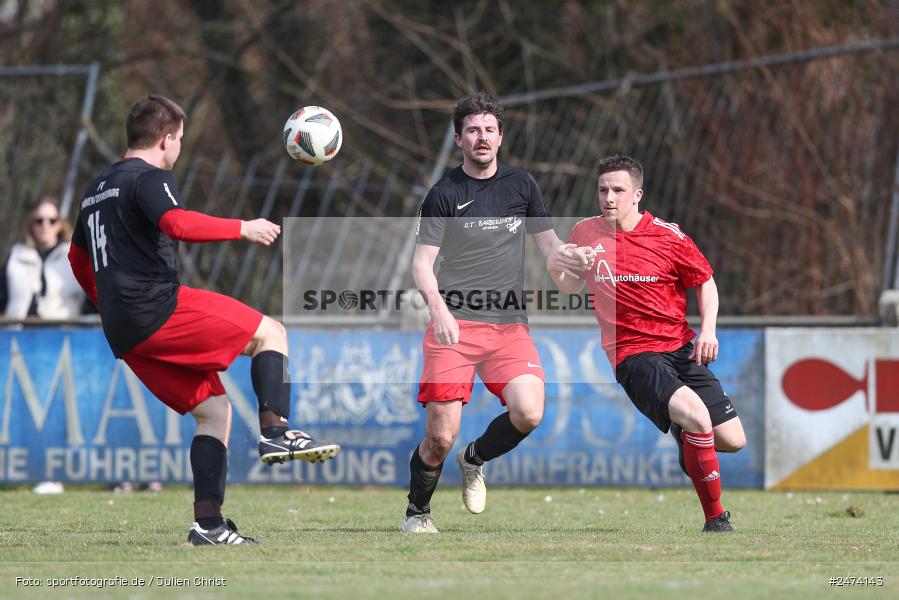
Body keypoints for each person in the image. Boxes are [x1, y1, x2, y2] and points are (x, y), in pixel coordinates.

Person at [68, 94, 340, 545]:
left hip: (124, 330)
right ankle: (277, 431)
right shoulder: (148, 177)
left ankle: (208, 525)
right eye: (179, 140)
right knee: (270, 332)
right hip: (157, 308)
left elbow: (78, 259)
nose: (179, 149)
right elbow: (177, 224)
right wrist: (242, 227)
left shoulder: (97, 188)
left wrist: (110, 301)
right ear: (165, 138)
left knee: (214, 411)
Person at [402, 92, 588, 533]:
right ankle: (417, 513)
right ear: (458, 139)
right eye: (472, 130)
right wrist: (440, 311)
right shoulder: (444, 193)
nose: (481, 137)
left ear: (500, 137)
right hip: (454, 328)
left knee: (529, 412)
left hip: (508, 328)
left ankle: (476, 458)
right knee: (439, 437)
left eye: (488, 129)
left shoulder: (522, 186)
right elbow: (420, 263)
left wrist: (570, 256)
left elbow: (549, 246)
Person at [550, 155, 746, 532]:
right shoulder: (585, 233)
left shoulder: (669, 237)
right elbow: (570, 285)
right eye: (603, 190)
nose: (609, 197)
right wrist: (559, 265)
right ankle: (716, 520)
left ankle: (684, 434)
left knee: (732, 440)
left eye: (618, 190)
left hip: (681, 348)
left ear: (637, 194)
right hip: (633, 354)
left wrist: (708, 331)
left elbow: (705, 281)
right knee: (697, 417)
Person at [1, 197, 86, 495]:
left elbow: (89, 297)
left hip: (62, 342)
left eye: (51, 220)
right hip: (19, 343)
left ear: (60, 225)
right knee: (21, 411)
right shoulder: (16, 256)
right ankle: (22, 472)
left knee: (56, 411)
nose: (45, 227)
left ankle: (52, 474)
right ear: (30, 224)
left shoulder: (72, 256)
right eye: (39, 220)